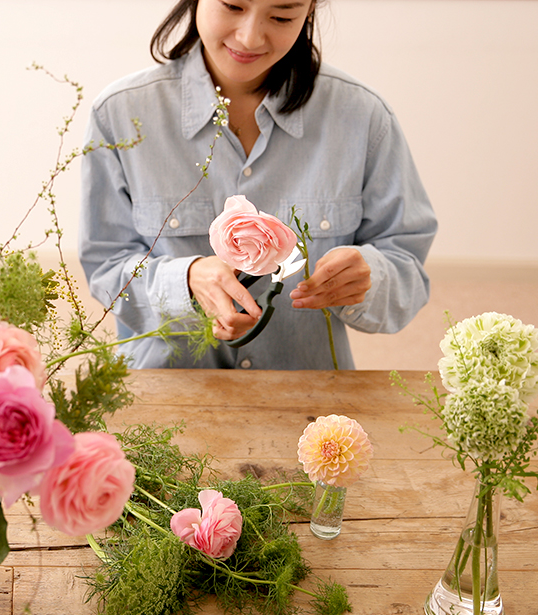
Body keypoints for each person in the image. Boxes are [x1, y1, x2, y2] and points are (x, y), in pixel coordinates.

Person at [79, 0, 437, 370]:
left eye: (282, 16)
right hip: (164, 404)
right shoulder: (119, 114)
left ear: (309, 12)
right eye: (233, 6)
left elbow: (406, 266)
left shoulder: (363, 116)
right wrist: (184, 281)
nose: (249, 38)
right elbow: (107, 268)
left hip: (310, 407)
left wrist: (370, 276)